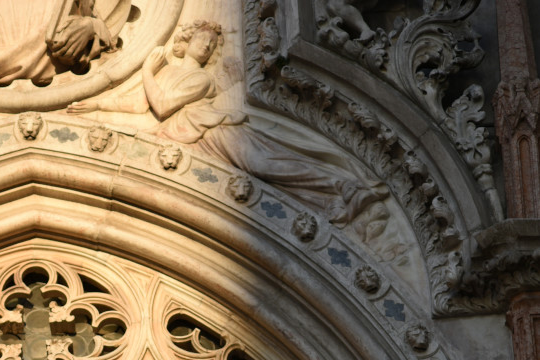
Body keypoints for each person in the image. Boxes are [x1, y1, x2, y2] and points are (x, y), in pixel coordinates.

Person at [77, 21, 387, 224]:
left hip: (216, 132)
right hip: (193, 136)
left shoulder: (199, 79)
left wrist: (146, 71)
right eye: (202, 39)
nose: (207, 46)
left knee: (264, 164)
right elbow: (136, 103)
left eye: (212, 44)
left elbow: (162, 104)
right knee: (265, 165)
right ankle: (338, 194)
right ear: (184, 41)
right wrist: (94, 103)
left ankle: (344, 187)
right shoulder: (168, 73)